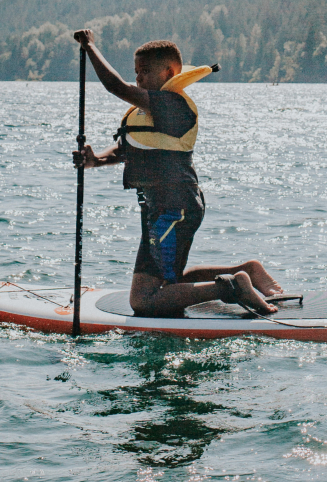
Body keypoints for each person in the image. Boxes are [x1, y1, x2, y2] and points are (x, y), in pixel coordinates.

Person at [72, 30, 284, 318]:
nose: (138, 79)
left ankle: (231, 287)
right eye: (136, 72)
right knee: (170, 281)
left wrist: (90, 47)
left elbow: (115, 87)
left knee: (144, 300)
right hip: (163, 209)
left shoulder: (173, 104)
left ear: (170, 72)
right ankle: (246, 272)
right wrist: (95, 160)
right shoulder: (148, 110)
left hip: (174, 209)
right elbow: (129, 148)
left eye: (145, 72)